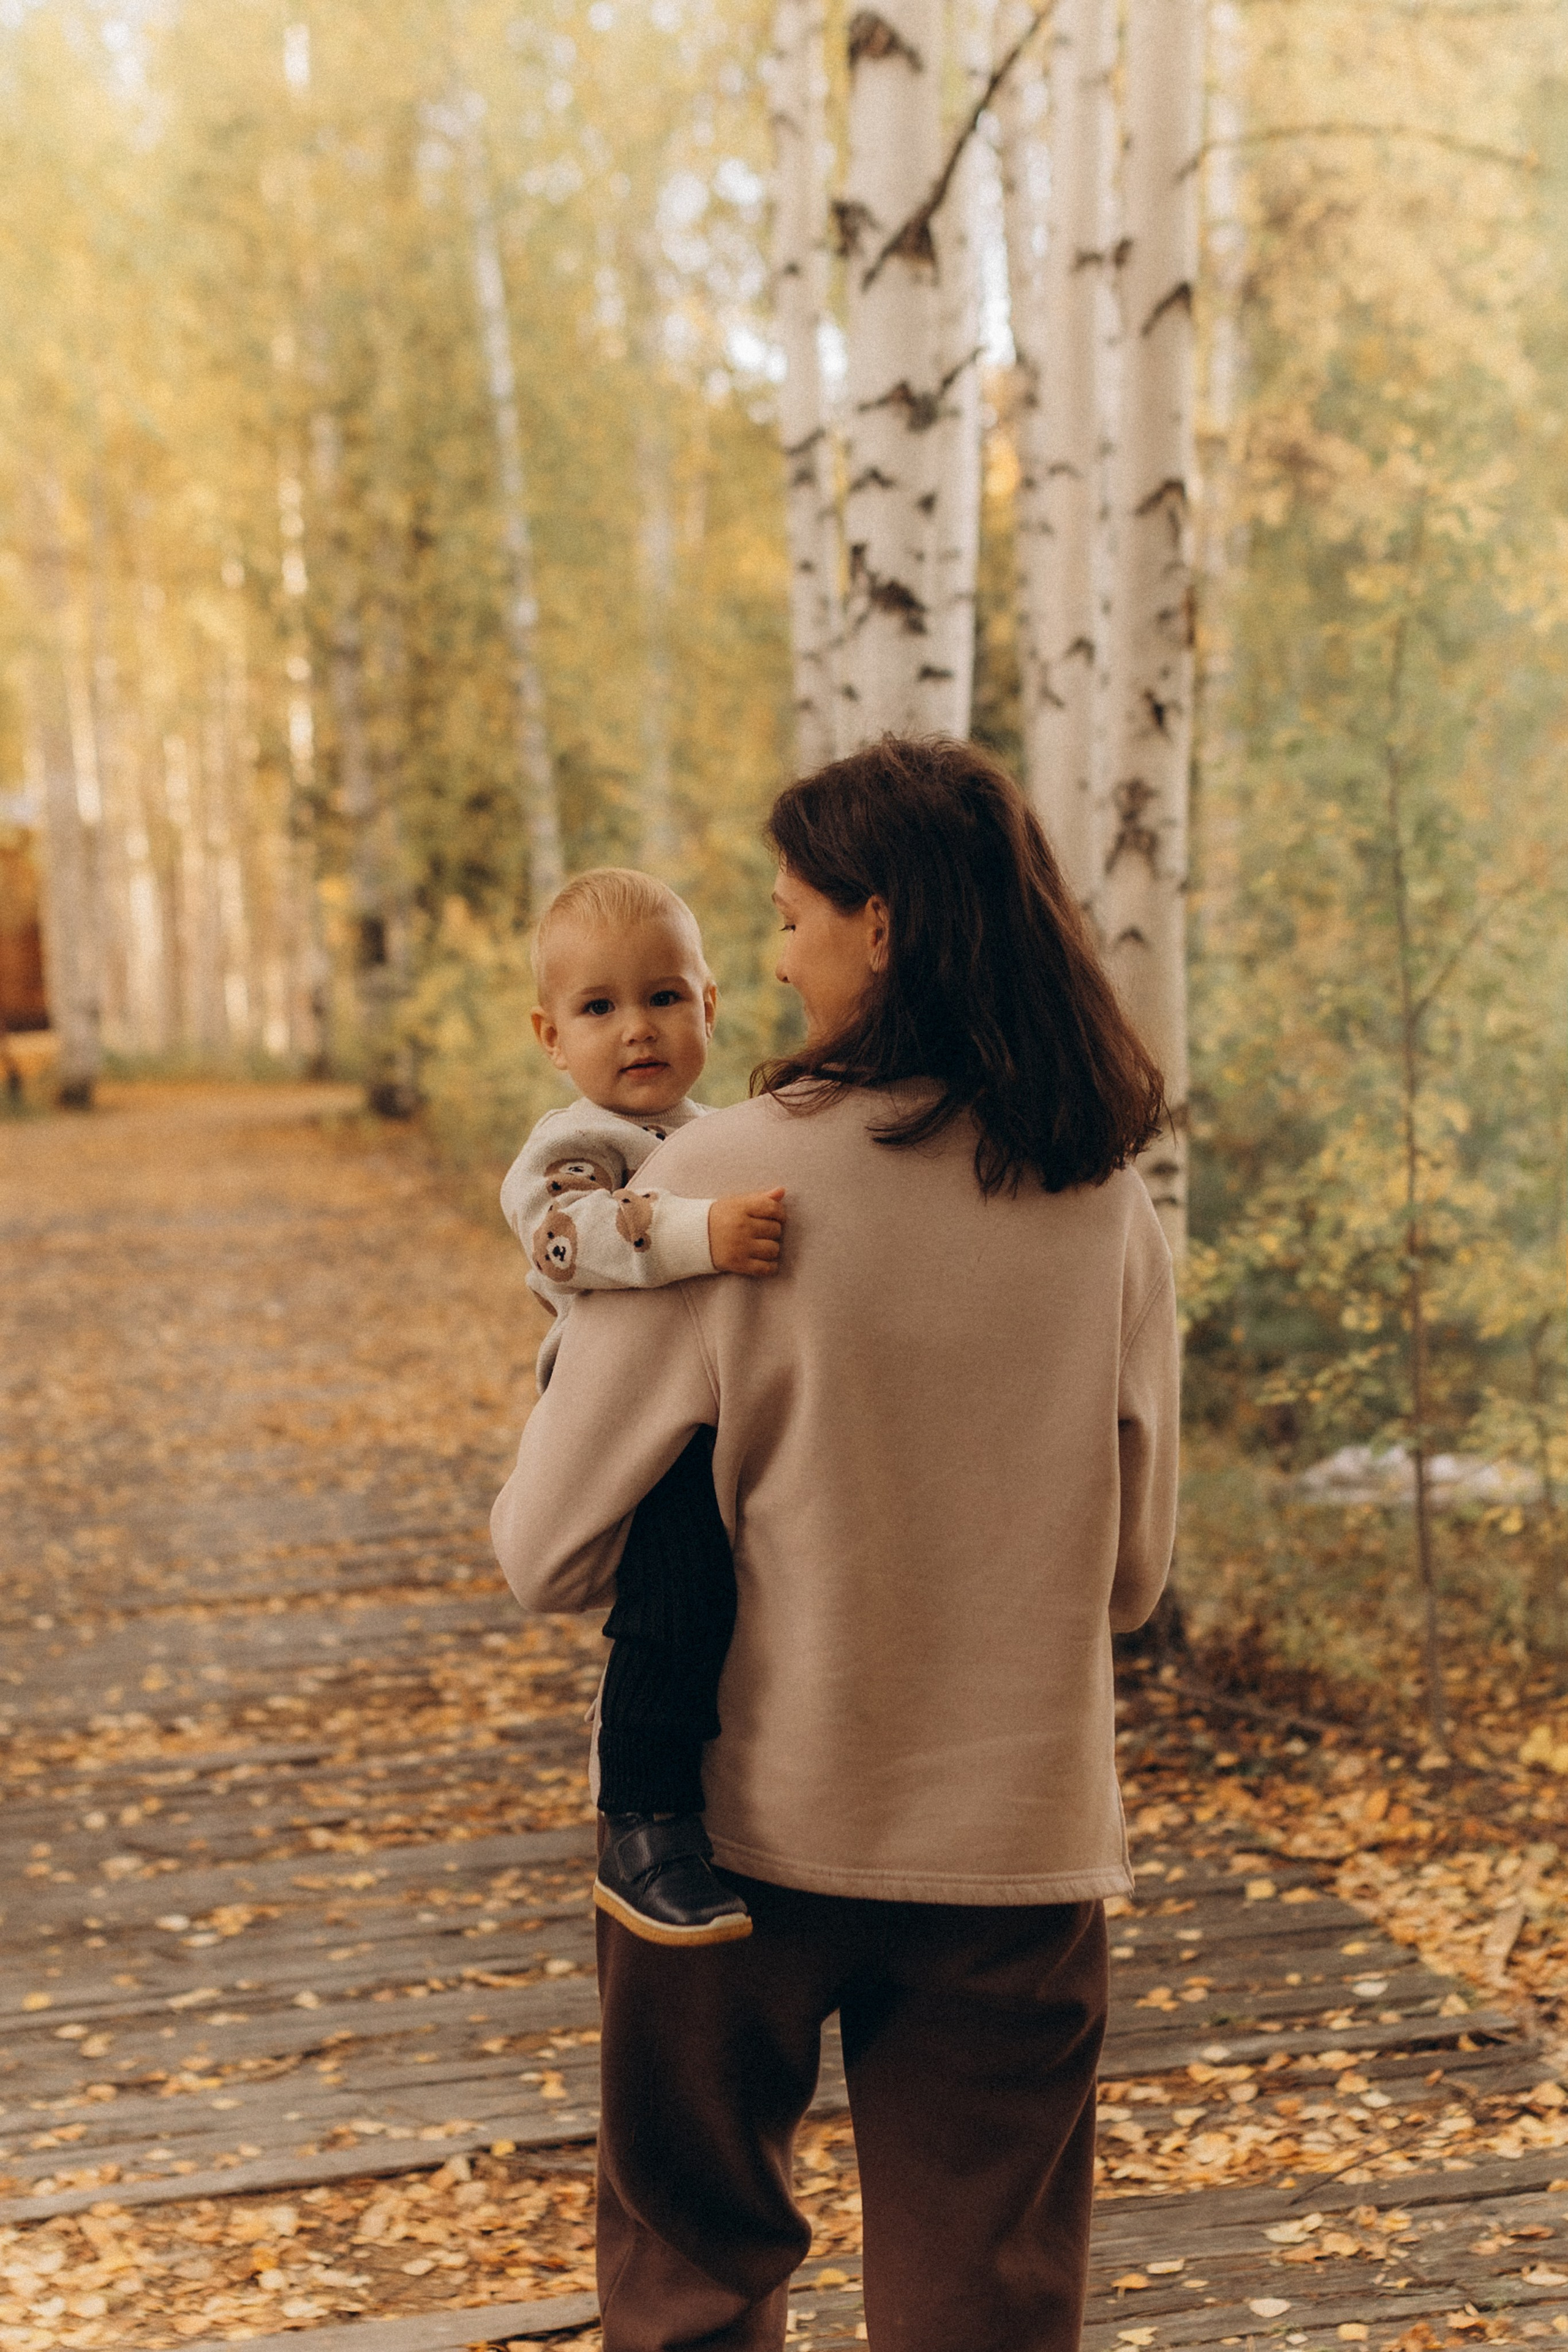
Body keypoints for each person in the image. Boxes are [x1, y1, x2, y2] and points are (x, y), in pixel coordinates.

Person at [491, 736, 1180, 2352]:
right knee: (986, 2305)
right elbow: (1133, 1575)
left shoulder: (728, 1184)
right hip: (1020, 1839)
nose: (777, 955)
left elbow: (548, 1550)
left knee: (697, 2278)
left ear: (882, 928)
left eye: (794, 916)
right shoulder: (1105, 1198)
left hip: (738, 1835)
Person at [500, 866, 786, 1945]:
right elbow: (566, 1239)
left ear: (710, 1005)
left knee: (741, 1595)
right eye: (599, 1007)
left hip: (726, 1410)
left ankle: (743, 1804)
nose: (638, 1030)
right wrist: (696, 1235)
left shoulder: (731, 1129)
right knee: (674, 1601)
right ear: (551, 1035)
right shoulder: (571, 1146)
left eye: (665, 997)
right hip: (628, 1421)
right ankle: (644, 1813)